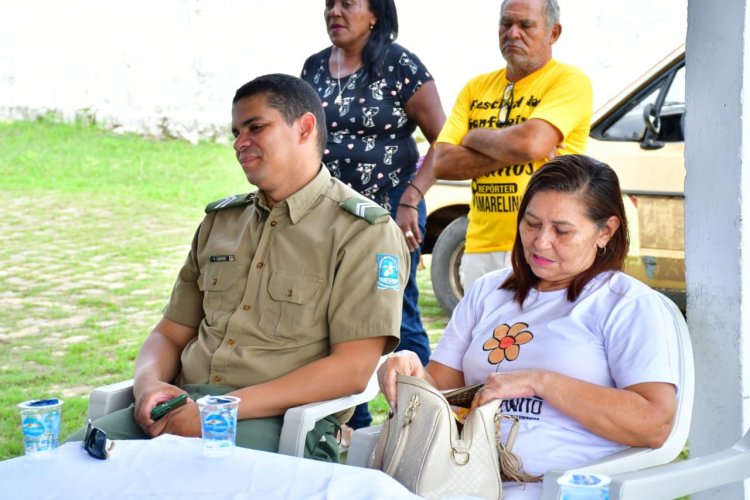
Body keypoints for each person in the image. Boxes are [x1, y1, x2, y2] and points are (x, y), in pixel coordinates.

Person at [66, 74, 410, 463]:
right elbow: (170, 332)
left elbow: (351, 369)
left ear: (305, 127)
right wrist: (148, 384)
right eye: (235, 131)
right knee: (63, 467)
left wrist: (216, 411)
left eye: (255, 127)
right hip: (176, 408)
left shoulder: (362, 233)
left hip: (276, 422)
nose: (239, 143)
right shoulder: (221, 222)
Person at [379, 155, 679, 499]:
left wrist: (541, 382)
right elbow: (440, 390)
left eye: (562, 231)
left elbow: (655, 424)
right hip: (459, 475)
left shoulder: (625, 304)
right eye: (532, 224)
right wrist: (406, 370)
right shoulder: (488, 291)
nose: (540, 241)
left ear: (605, 231)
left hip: (551, 488)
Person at [301, 0, 446, 431]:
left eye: (348, 3)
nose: (335, 11)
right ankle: (353, 425)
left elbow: (445, 140)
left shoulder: (400, 65)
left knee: (395, 315)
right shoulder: (313, 69)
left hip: (389, 212)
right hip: (329, 215)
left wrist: (410, 200)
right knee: (335, 318)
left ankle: (422, 425)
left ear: (376, 13)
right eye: (330, 4)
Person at [433, 0, 593, 291]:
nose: (513, 33)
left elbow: (531, 142)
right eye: (506, 24)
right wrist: (520, 149)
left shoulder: (569, 81)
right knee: (485, 337)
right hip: (480, 247)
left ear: (553, 32)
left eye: (526, 25)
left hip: (547, 244)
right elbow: (441, 162)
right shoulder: (475, 87)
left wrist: (472, 137)